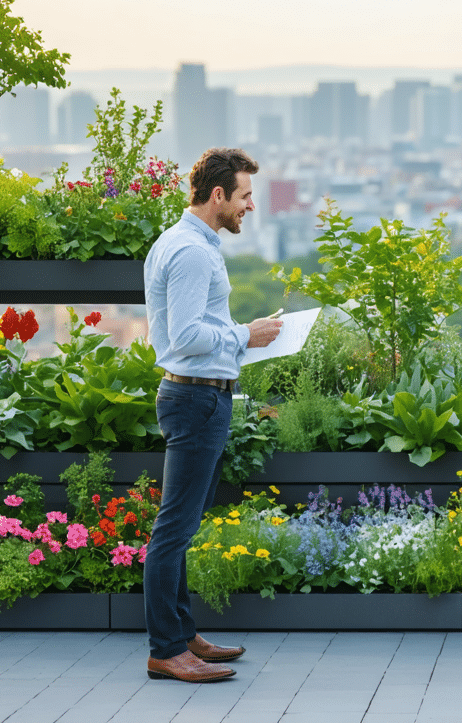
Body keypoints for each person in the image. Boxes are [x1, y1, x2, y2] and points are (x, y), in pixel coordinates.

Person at [142, 148, 283, 682]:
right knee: (174, 528)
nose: (250, 207)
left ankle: (182, 635)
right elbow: (183, 337)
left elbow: (187, 329)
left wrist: (245, 337)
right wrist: (248, 334)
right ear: (218, 195)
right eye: (245, 196)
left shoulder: (184, 242)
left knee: (181, 523)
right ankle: (165, 649)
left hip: (199, 394)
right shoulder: (192, 252)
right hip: (196, 397)